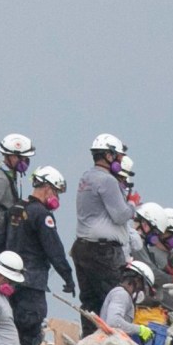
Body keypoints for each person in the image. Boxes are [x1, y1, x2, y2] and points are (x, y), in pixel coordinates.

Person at [8, 165, 74, 345]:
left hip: (10, 279)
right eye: (57, 192)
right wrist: (67, 277)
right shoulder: (43, 215)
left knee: (12, 327)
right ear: (47, 188)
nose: (57, 198)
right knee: (30, 328)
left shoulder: (15, 210)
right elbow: (54, 249)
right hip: (32, 282)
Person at [71, 133, 133, 324]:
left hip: (82, 247)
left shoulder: (86, 177)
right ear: (109, 155)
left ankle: (89, 341)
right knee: (112, 298)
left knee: (90, 302)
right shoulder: (108, 180)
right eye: (119, 157)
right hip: (103, 251)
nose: (121, 161)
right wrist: (132, 207)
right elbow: (120, 214)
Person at [0, 134, 34, 258]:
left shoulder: (10, 176)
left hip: (3, 236)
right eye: (23, 158)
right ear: (12, 156)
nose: (26, 162)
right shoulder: (0, 178)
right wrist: (4, 225)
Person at [99, 258, 155, 339]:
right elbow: (113, 322)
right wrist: (139, 329)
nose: (141, 291)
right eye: (142, 287)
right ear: (136, 280)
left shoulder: (123, 295)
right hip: (107, 343)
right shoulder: (121, 294)